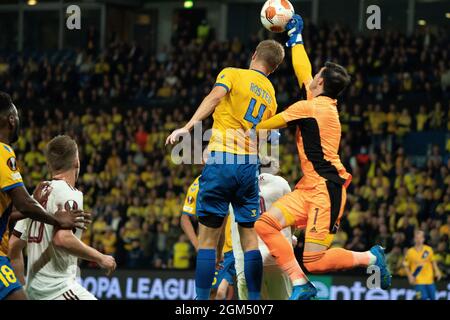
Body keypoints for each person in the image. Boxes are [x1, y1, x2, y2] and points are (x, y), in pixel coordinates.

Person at [254, 15, 391, 300]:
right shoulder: (318, 103)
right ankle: (300, 283)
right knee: (264, 224)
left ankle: (370, 257)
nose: (312, 75)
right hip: (309, 187)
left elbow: (264, 124)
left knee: (315, 261)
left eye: (317, 74)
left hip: (326, 191)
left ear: (321, 81)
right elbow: (303, 71)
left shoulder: (310, 108)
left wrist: (235, 124)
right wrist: (295, 38)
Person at [166, 40, 285, 300]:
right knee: (250, 241)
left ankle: (200, 302)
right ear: (273, 69)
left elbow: (215, 96)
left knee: (208, 240)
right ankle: (254, 302)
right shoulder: (272, 95)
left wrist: (187, 127)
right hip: (248, 167)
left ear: (254, 54)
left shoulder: (232, 73)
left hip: (222, 161)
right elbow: (263, 137)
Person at [0, 92, 90, 300]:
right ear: (11, 120)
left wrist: (36, 206)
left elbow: (11, 217)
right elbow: (23, 204)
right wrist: (57, 218)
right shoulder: (3, 151)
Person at [8, 135, 116, 300]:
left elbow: (14, 246)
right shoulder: (70, 193)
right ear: (76, 162)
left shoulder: (34, 198)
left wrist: (23, 290)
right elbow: (62, 239)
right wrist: (101, 258)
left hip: (33, 292)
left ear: (49, 164)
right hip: (57, 289)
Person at [232, 160, 294, 300]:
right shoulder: (281, 183)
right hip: (277, 254)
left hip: (246, 257)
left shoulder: (233, 184)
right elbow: (292, 218)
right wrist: (291, 237)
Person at [179, 175, 236, 300]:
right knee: (214, 293)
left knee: (229, 293)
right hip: (215, 250)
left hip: (235, 248)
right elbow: (185, 218)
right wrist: (196, 245)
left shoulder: (237, 177)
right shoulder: (199, 182)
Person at [402, 230, 442, 300]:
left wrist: (437, 271)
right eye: (417, 238)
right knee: (422, 298)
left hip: (430, 280)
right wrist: (410, 276)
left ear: (423, 239)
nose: (418, 240)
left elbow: (433, 262)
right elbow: (405, 265)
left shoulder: (428, 250)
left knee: (433, 298)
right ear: (414, 239)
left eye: (420, 238)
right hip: (417, 281)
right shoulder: (410, 252)